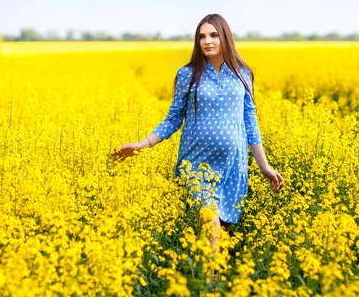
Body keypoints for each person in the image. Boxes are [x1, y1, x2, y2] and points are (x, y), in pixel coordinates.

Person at [111, 13, 284, 251]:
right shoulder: (187, 74)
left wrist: (263, 166)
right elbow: (173, 118)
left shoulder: (243, 74)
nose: (207, 41)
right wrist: (142, 144)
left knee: (221, 235)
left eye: (214, 35)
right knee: (211, 225)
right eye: (202, 36)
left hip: (233, 164)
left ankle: (213, 279)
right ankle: (210, 284)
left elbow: (250, 121)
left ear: (225, 37)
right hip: (196, 164)